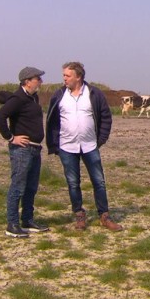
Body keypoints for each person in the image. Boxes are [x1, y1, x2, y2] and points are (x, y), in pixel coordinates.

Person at [45, 61, 122, 231]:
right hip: (67, 147)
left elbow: (106, 117)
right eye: (64, 75)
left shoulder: (94, 94)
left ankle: (104, 217)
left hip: (90, 146)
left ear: (78, 76)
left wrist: (100, 139)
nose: (64, 78)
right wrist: (55, 144)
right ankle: (79, 215)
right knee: (73, 183)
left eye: (68, 75)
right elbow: (52, 121)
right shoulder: (59, 95)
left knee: (99, 182)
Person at [0, 66, 50, 238]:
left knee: (31, 187)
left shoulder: (33, 97)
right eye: (38, 79)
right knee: (18, 186)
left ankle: (27, 220)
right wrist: (11, 138)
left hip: (35, 148)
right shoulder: (18, 98)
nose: (40, 81)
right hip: (22, 150)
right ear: (27, 81)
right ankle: (12, 224)